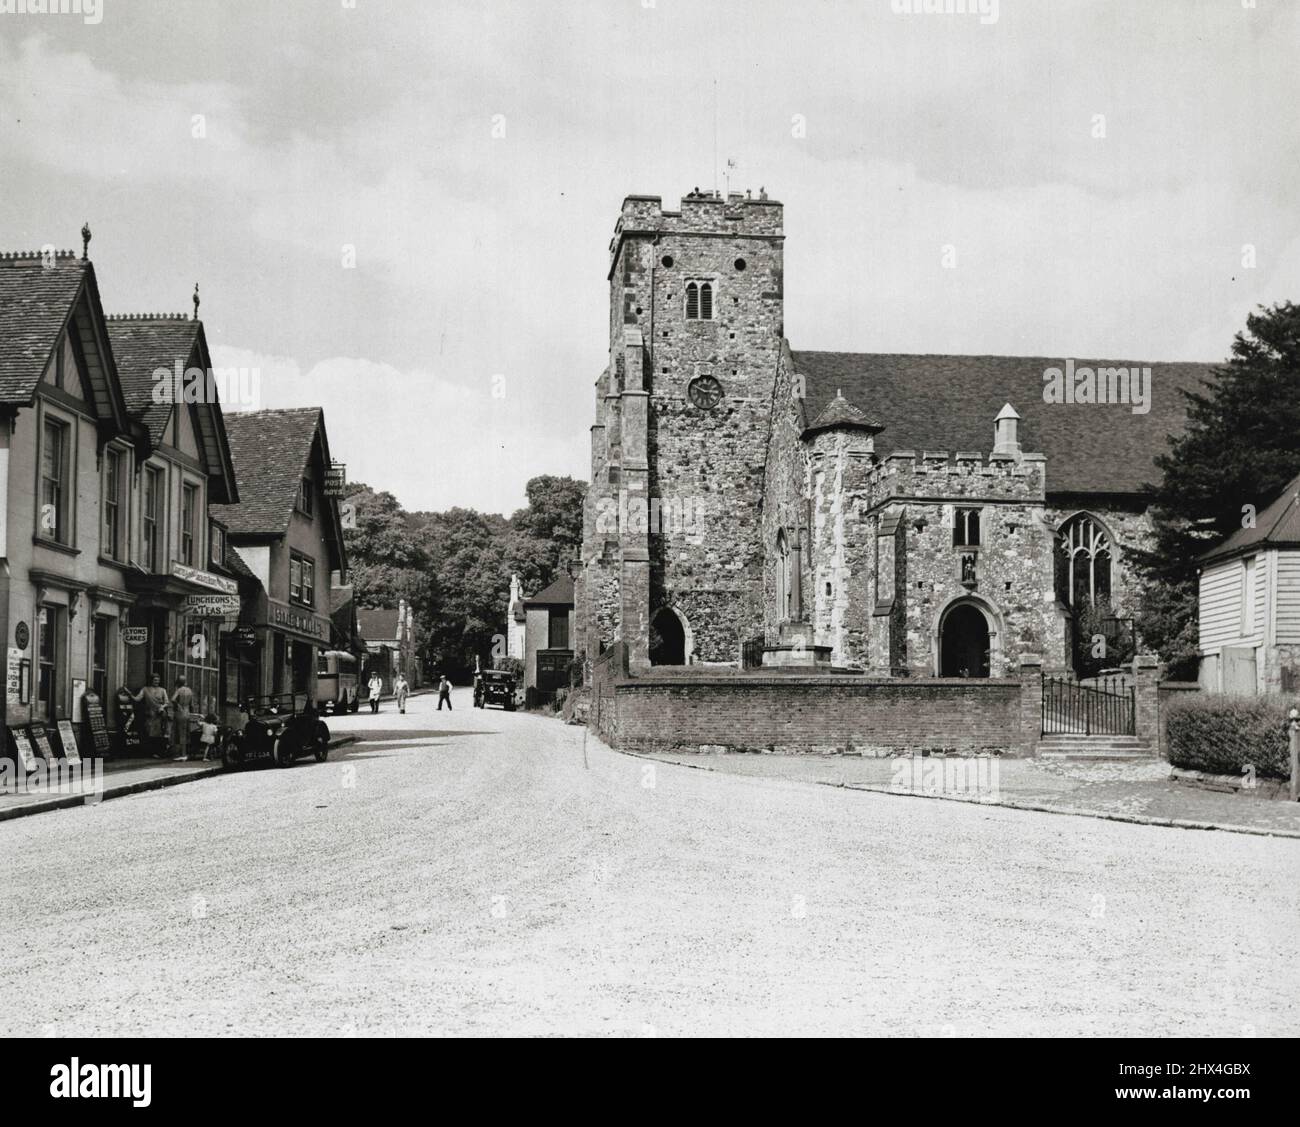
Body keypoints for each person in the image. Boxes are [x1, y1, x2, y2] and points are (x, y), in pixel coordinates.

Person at [131, 674, 170, 759]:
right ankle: (151, 752)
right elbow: (137, 699)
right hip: (150, 714)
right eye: (155, 680)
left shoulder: (162, 690)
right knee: (150, 733)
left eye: (158, 680)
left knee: (160, 733)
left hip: (160, 715)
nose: (157, 682)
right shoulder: (145, 689)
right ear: (151, 680)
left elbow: (167, 702)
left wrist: (162, 707)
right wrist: (130, 694)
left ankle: (159, 752)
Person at [170, 675, 195, 761]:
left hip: (179, 713)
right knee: (185, 733)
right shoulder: (190, 691)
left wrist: (178, 705)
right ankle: (184, 753)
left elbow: (173, 699)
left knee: (179, 733)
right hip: (187, 712)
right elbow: (192, 705)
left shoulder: (179, 690)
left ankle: (181, 754)